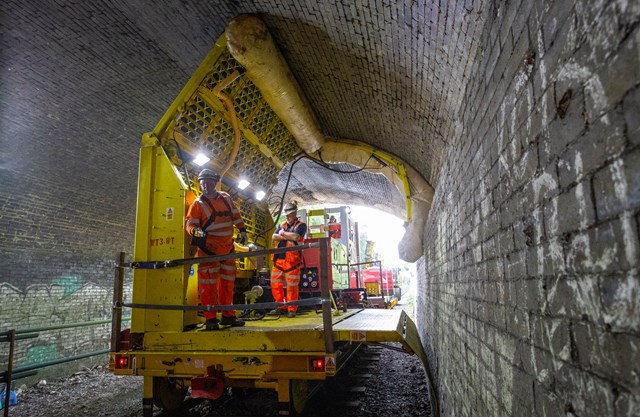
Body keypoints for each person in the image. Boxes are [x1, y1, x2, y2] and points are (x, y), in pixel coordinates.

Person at [185, 168, 248, 330]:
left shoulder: (226, 198)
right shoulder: (197, 204)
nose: (204, 186)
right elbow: (190, 224)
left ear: (215, 182)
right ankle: (210, 320)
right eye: (202, 183)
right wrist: (195, 231)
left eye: (207, 182)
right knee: (208, 287)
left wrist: (242, 230)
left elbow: (236, 215)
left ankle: (228, 316)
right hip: (209, 252)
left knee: (227, 286)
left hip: (228, 250)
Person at [268, 201, 307, 318]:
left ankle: (291, 309)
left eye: (289, 214)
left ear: (295, 213)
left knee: (292, 287)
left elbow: (296, 237)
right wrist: (285, 234)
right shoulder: (282, 224)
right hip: (279, 260)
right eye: (286, 214)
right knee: (275, 284)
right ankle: (280, 306)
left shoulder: (301, 226)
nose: (287, 216)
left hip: (292, 261)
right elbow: (273, 236)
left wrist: (283, 234)